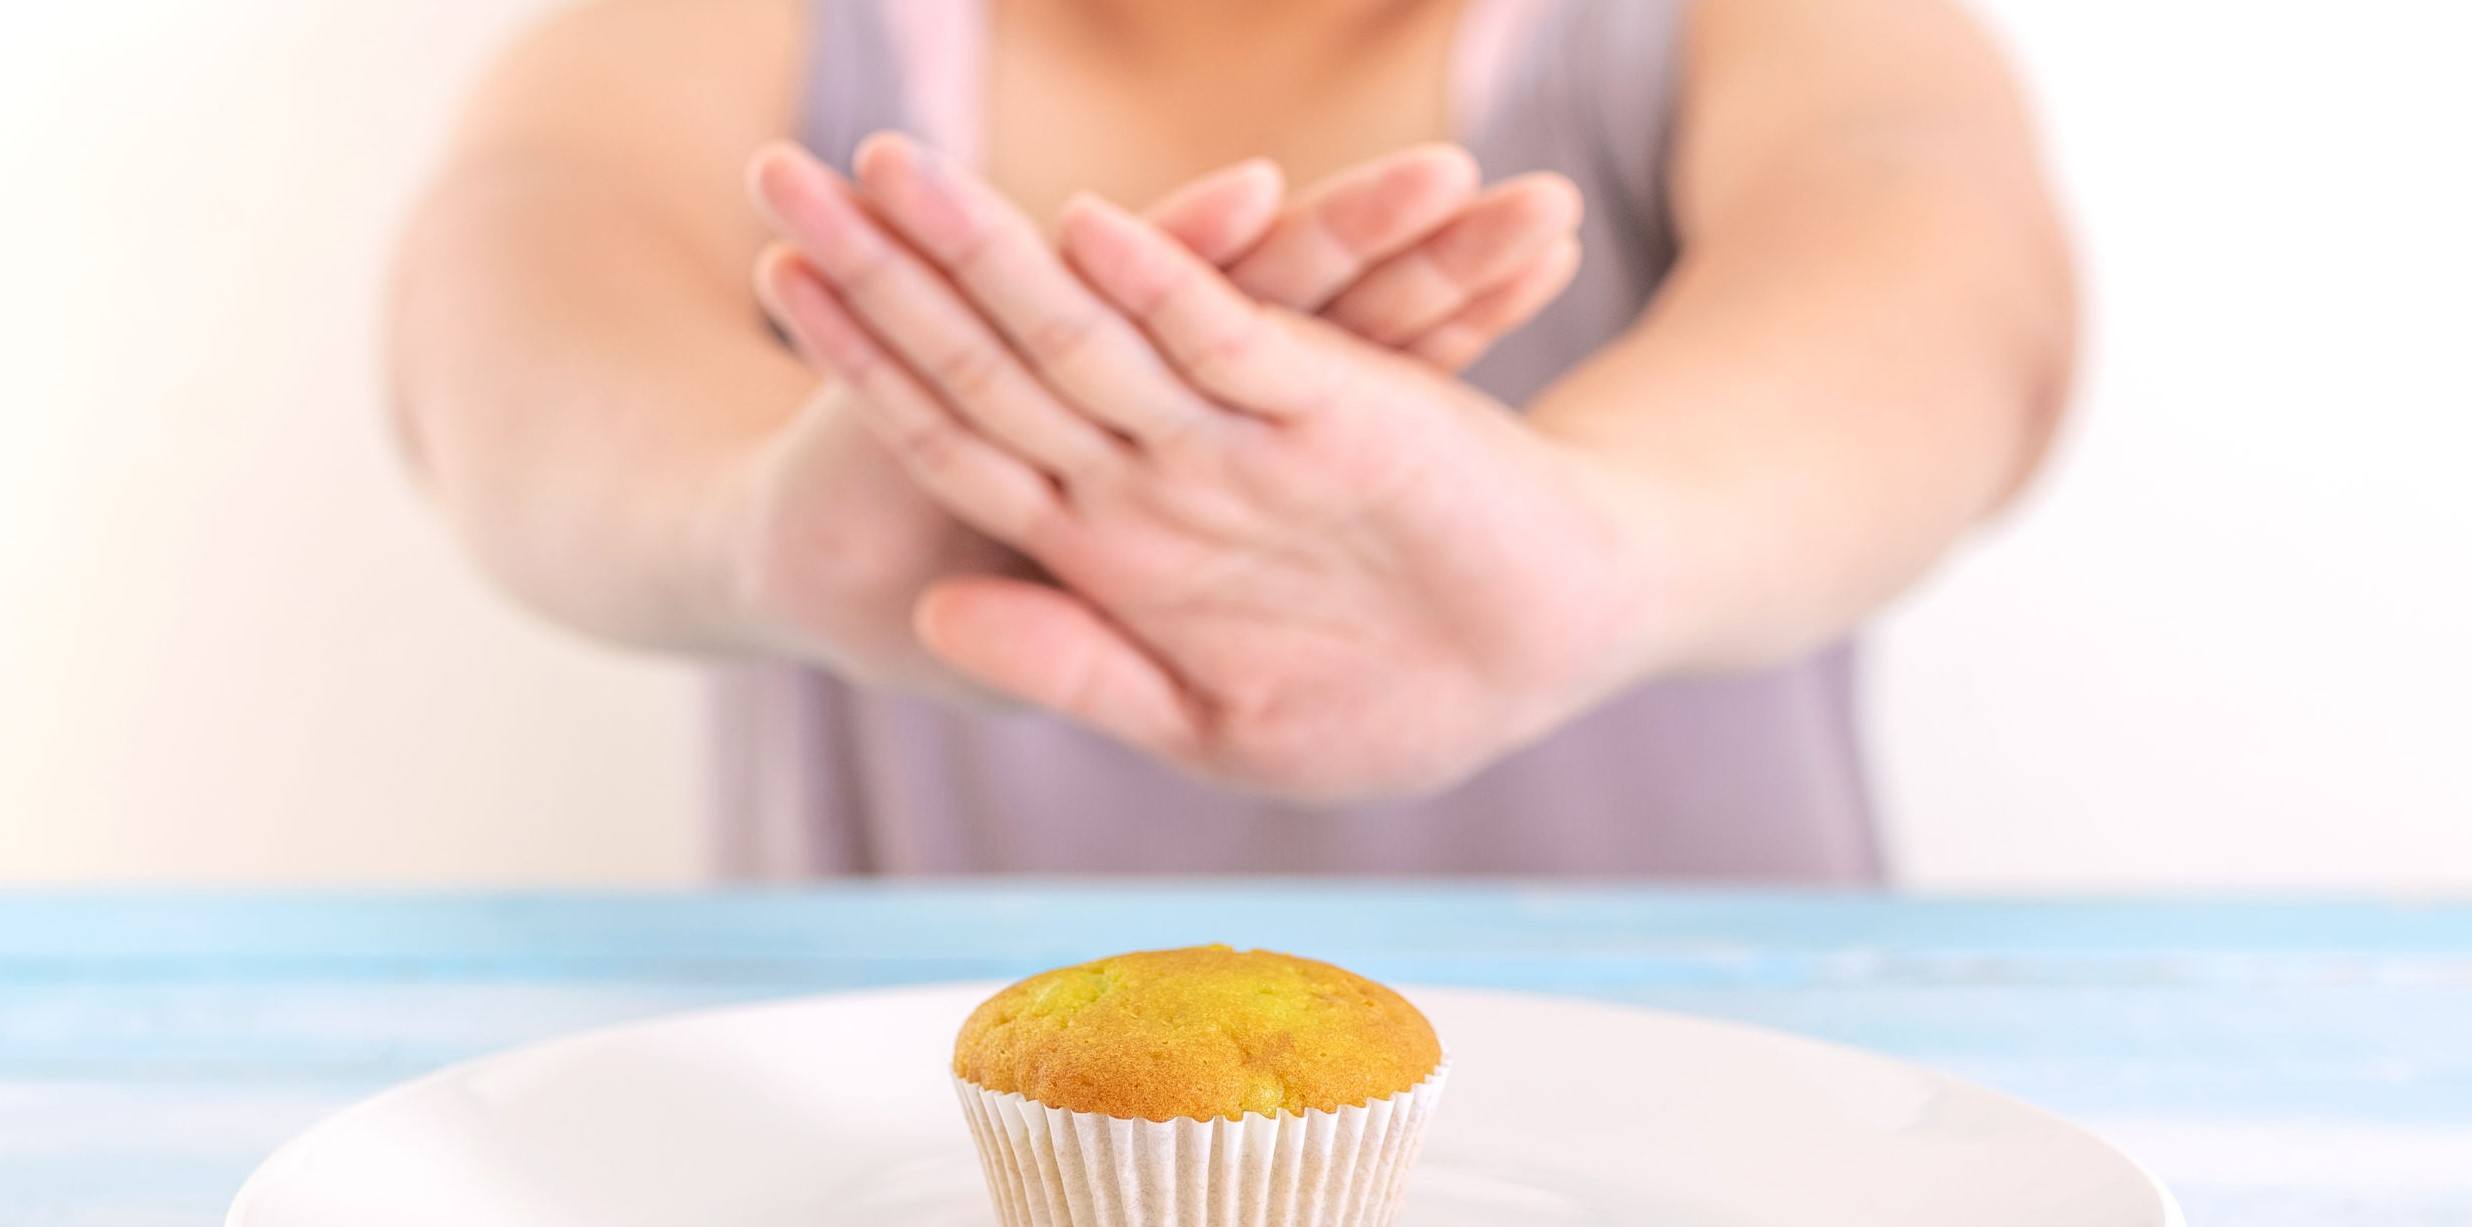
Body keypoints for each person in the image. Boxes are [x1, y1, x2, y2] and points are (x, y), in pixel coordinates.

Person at [392, 0, 2075, 878]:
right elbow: (509, 324)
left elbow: (1946, 297)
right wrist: (765, 523)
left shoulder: (1755, 26)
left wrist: (1602, 551)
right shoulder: (715, 37)